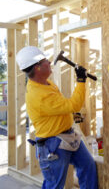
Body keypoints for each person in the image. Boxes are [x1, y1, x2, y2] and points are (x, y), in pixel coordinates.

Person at [16, 46, 98, 189]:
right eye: (45, 61)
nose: (49, 62)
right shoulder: (39, 96)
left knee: (87, 166)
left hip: (68, 137)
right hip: (52, 145)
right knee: (54, 185)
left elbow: (64, 107)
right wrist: (80, 80)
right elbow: (74, 105)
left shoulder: (46, 84)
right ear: (38, 68)